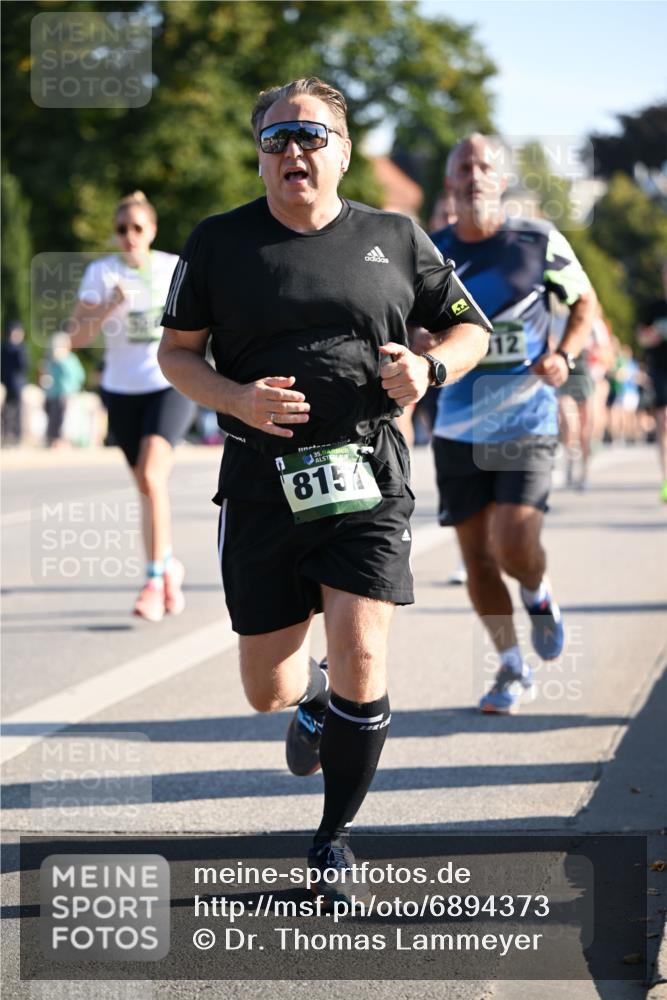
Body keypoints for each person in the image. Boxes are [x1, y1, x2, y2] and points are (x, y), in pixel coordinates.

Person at [157, 77, 490, 898]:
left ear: (342, 150)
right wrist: (234, 399)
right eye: (275, 139)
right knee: (266, 689)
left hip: (368, 474)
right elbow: (176, 353)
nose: (292, 152)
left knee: (362, 650)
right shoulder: (219, 242)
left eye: (309, 136)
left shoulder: (395, 235)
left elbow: (468, 326)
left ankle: (334, 837)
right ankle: (312, 703)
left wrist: (429, 364)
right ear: (260, 156)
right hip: (262, 485)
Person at [430, 134, 597, 714]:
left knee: (514, 545)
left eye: (485, 166)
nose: (474, 175)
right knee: (476, 559)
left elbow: (583, 303)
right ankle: (509, 665)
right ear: (450, 182)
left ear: (501, 179)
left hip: (526, 419)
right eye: (463, 167)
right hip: (455, 426)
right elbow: (407, 323)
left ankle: (538, 593)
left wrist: (566, 355)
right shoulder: (431, 251)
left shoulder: (538, 240)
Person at [67, 192, 196, 621]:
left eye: (137, 228)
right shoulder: (101, 273)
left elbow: (202, 323)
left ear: (152, 231)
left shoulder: (172, 267)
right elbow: (75, 338)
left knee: (150, 475)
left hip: (168, 384)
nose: (129, 237)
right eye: (122, 229)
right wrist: (108, 306)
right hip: (121, 391)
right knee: (145, 486)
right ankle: (168, 566)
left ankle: (154, 578)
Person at [637, 262, 667, 501]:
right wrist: (655, 335)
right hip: (660, 370)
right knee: (664, 423)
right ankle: (666, 479)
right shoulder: (654, 308)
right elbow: (642, 338)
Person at [41, 332, 86, 447]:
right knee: (52, 418)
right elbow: (46, 375)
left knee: (62, 417)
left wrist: (61, 361)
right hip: (51, 394)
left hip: (65, 394)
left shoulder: (70, 359)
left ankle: (60, 440)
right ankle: (51, 439)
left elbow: (79, 375)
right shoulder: (51, 359)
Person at [1, 321, 28, 446]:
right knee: (6, 411)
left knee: (17, 411)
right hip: (7, 383)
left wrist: (18, 348)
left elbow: (24, 366)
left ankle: (16, 437)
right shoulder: (4, 347)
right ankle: (7, 435)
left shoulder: (21, 349)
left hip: (18, 385)